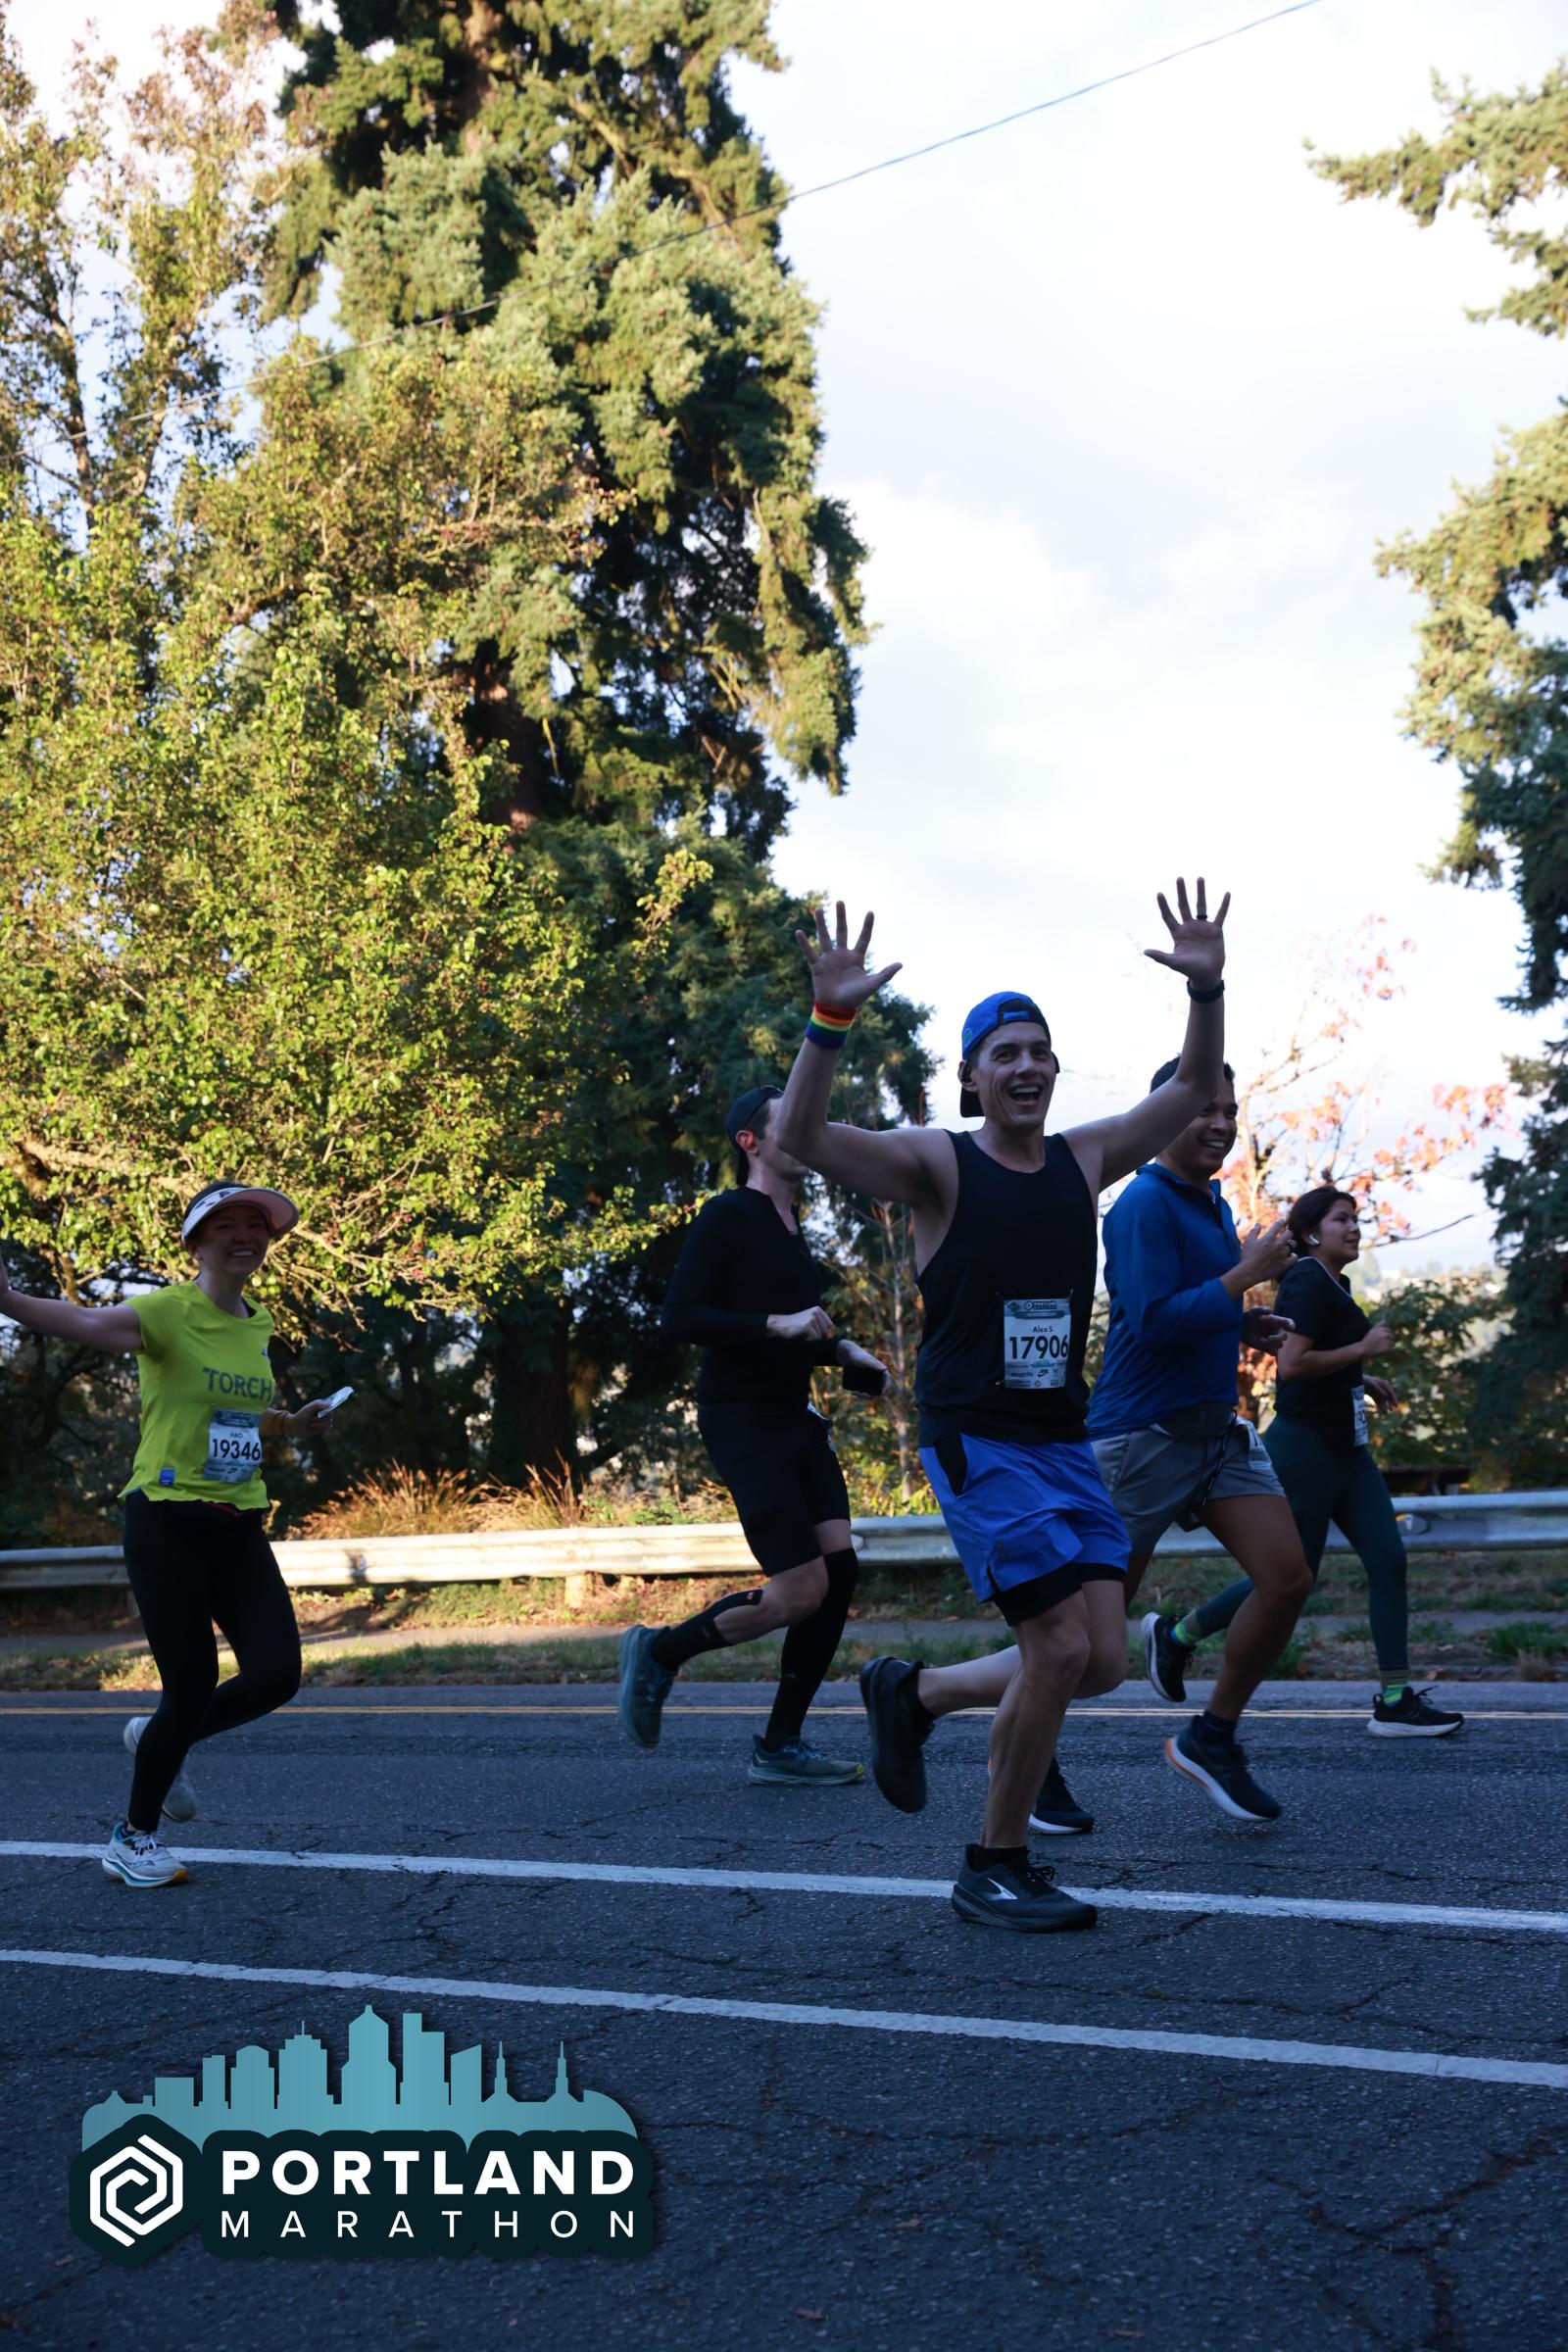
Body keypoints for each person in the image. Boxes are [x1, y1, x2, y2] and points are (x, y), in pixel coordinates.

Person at [773, 881, 1285, 1933]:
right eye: (1002, 1053)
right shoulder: (938, 1163)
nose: (1025, 1066)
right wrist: (827, 1021)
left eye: (1039, 1051)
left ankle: (913, 1694)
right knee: (1054, 1648)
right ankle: (993, 1863)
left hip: (1063, 1440)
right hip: (978, 1439)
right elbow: (802, 1135)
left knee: (1099, 1659)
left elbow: (1194, 1087)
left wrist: (1207, 990)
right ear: (970, 1077)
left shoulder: (1082, 1159)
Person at [0, 1181, 342, 1886]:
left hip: (238, 1521)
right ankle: (132, 1839)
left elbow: (234, 1412)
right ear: (196, 1243)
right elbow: (81, 1321)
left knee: (277, 1675)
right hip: (167, 1518)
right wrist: (8, 1299)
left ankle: (159, 1739)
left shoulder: (256, 1322)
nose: (245, 1236)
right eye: (226, 1226)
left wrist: (289, 1424)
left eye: (256, 1225)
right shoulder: (165, 1312)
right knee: (190, 1683)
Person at [616, 1084, 889, 1784]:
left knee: (838, 1574)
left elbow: (796, 1334)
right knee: (799, 1591)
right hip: (742, 1419)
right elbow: (679, 1317)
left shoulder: (793, 1229)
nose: (808, 1130)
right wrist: (781, 1325)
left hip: (795, 1417)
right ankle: (660, 1652)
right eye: (790, 1121)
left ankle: (780, 1746)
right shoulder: (728, 1215)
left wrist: (842, 1352)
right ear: (751, 1141)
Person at [1150, 1188, 1463, 1737]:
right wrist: (1363, 1350)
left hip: (1348, 1450)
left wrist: (1359, 1376)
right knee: (1292, 1578)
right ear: (1312, 1233)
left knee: (1388, 1559)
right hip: (1306, 1450)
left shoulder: (1334, 1283)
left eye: (1357, 1219)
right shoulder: (1307, 1279)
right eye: (1342, 1219)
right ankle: (1177, 1635)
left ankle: (1395, 1698)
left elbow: (1311, 1353)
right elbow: (1293, 1365)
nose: (1355, 1227)